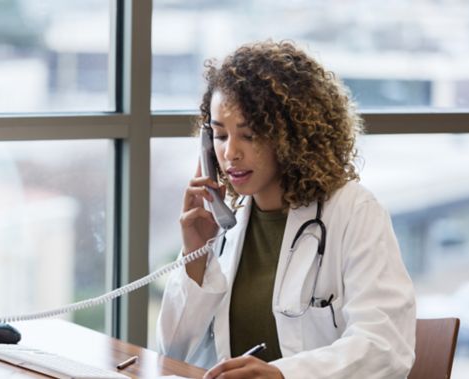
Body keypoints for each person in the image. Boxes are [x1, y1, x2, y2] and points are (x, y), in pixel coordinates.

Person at [156, 40, 416, 379]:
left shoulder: (354, 212)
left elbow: (385, 346)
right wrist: (195, 254)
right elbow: (172, 353)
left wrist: (284, 375)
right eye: (220, 136)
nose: (230, 153)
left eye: (248, 135)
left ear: (291, 137)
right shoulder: (222, 227)